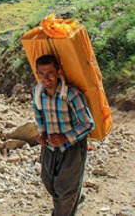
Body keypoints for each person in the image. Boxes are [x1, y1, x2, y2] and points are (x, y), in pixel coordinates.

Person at [32, 55, 94, 216]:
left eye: (50, 73)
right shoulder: (38, 93)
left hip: (72, 148)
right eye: (41, 74)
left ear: (58, 72)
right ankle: (74, 197)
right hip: (50, 147)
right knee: (48, 182)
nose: (46, 78)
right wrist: (43, 133)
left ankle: (67, 204)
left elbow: (87, 123)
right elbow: (39, 115)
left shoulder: (72, 94)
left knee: (64, 193)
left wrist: (66, 137)